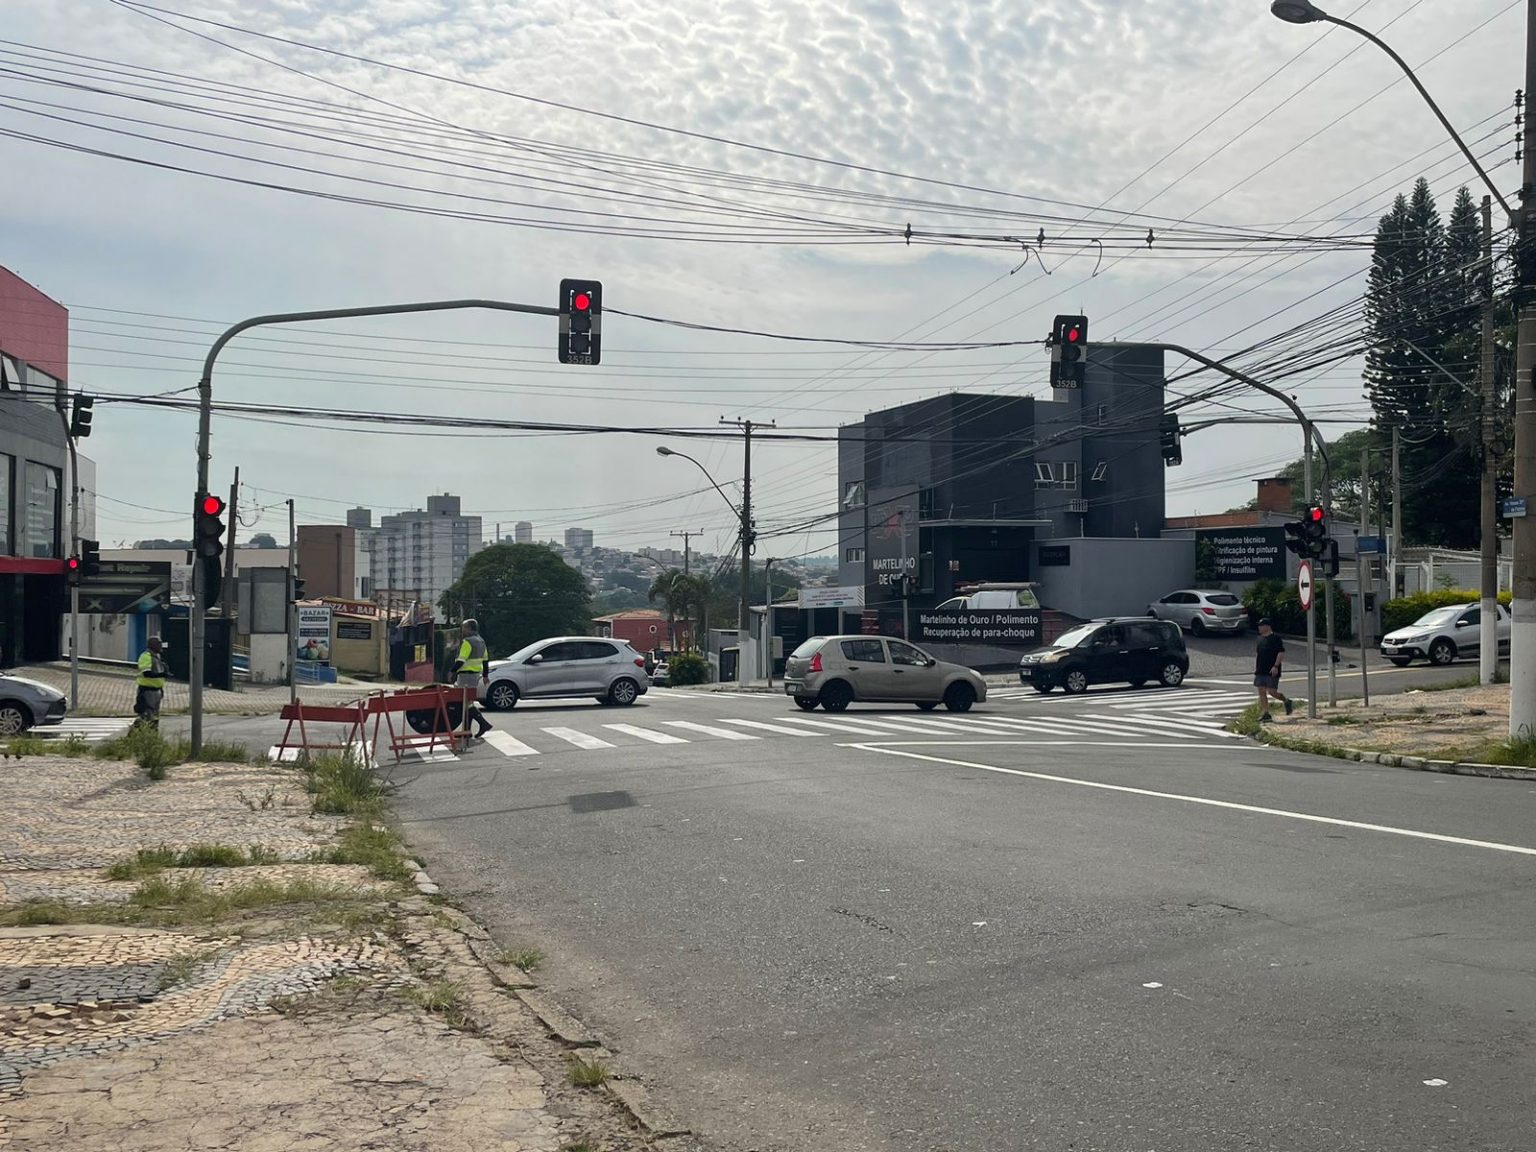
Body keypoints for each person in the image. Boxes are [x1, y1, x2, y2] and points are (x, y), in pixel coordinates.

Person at [450, 618, 491, 740]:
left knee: (465, 703)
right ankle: (466, 731)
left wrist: (451, 671)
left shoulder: (467, 642)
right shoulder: (481, 641)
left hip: (465, 676)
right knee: (468, 703)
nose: (462, 630)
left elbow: (461, 660)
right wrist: (485, 676)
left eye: (464, 627)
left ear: (469, 628)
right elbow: (485, 660)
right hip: (475, 675)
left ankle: (483, 724)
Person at [1253, 618, 1294, 722]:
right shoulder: (1259, 639)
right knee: (1261, 691)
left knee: (1272, 692)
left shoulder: (1276, 638)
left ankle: (1286, 701)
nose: (1259, 628)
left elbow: (1281, 652)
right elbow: (1258, 653)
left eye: (1261, 626)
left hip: (1272, 669)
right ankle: (1266, 713)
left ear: (1267, 626)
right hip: (1260, 669)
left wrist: (1276, 666)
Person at [134, 636, 167, 729]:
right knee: (146, 715)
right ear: (152, 645)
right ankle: (135, 735)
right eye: (159, 644)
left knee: (154, 716)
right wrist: (162, 675)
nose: (161, 646)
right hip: (147, 691)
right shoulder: (146, 656)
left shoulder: (156, 657)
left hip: (156, 690)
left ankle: (152, 733)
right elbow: (146, 673)